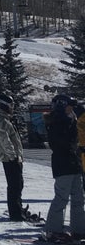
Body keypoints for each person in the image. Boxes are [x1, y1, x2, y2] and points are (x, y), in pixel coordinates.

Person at [44, 94, 85, 242]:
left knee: (79, 199)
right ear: (61, 106)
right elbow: (63, 143)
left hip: (74, 164)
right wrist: (73, 124)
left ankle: (79, 229)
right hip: (63, 164)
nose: (71, 109)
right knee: (61, 198)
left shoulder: (69, 120)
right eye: (69, 106)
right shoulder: (56, 122)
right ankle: (53, 230)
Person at [0, 93, 26, 222]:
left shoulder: (6, 120)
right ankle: (15, 213)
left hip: (14, 158)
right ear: (5, 106)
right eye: (11, 105)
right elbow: (5, 140)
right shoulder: (2, 121)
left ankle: (18, 208)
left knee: (19, 184)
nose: (13, 108)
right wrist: (13, 156)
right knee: (14, 185)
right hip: (9, 159)